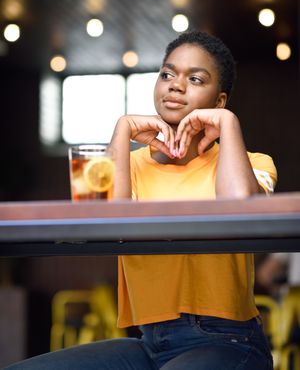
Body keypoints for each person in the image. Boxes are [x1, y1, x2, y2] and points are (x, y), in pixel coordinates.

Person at [4, 31, 277, 370]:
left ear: (219, 101)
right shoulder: (129, 166)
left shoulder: (252, 164)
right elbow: (101, 222)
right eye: (167, 74)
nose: (175, 85)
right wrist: (122, 130)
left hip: (230, 341)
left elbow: (240, 205)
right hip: (149, 343)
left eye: (195, 78)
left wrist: (228, 123)